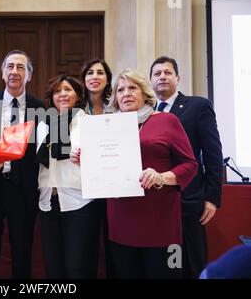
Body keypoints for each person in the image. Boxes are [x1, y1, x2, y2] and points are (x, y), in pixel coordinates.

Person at [106, 69, 198, 278]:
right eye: (120, 90)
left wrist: (161, 177)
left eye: (132, 88)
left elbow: (190, 164)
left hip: (161, 221)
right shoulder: (107, 127)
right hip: (121, 221)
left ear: (145, 93)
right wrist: (84, 159)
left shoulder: (167, 120)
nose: (126, 93)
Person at [150, 56, 223, 279]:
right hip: (154, 202)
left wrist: (212, 196)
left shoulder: (198, 106)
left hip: (188, 199)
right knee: (163, 265)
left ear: (178, 78)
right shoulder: (145, 112)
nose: (162, 76)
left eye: (167, 72)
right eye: (157, 74)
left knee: (189, 262)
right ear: (150, 81)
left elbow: (213, 153)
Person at [0, 49, 44, 278]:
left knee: (22, 249)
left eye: (21, 67)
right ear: (3, 72)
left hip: (23, 189)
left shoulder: (40, 107)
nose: (15, 72)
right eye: (10, 66)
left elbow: (42, 150)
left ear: (29, 75)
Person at [36, 75, 101, 278]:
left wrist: (87, 158)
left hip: (80, 202)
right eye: (57, 91)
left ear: (78, 95)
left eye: (68, 90)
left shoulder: (89, 124)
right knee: (53, 268)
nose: (62, 94)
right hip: (48, 202)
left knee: (77, 267)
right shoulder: (43, 125)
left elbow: (103, 162)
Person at [80, 58, 114, 278]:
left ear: (107, 79)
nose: (95, 77)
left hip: (114, 187)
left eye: (100, 73)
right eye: (90, 73)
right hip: (84, 188)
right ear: (84, 79)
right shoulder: (75, 110)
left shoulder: (119, 108)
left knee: (114, 244)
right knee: (87, 245)